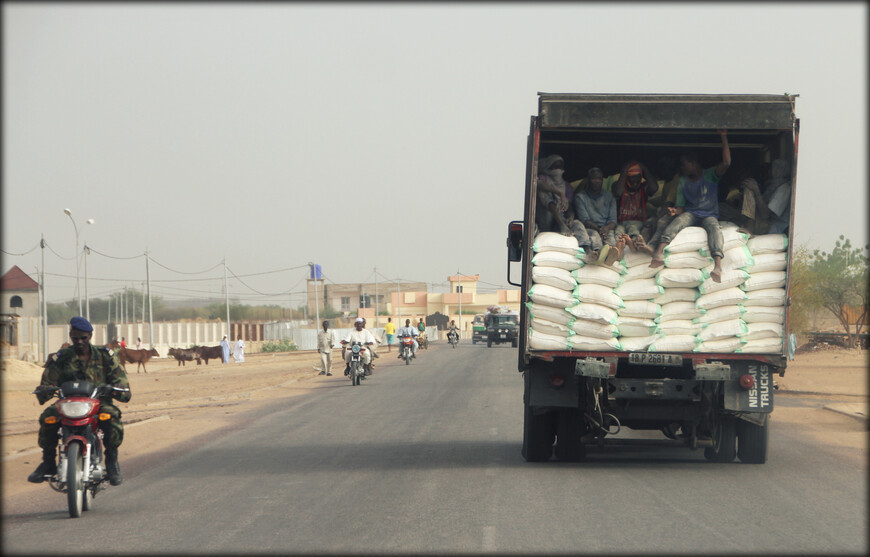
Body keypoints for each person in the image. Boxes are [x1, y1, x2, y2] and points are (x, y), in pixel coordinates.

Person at [28, 317, 131, 486]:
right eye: (75, 338)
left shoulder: (105, 355)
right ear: (70, 336)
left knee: (111, 417)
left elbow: (121, 382)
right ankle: (47, 462)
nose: (80, 341)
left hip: (98, 403)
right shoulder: (61, 357)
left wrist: (118, 387)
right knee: (48, 417)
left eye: (83, 337)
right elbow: (48, 381)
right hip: (67, 403)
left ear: (90, 335)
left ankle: (112, 462)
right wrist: (45, 389)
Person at [639, 129, 731, 282]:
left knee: (714, 229)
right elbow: (681, 206)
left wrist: (724, 137)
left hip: (709, 215)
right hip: (691, 213)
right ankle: (658, 253)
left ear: (693, 163)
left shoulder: (710, 175)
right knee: (678, 222)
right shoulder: (682, 181)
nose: (682, 168)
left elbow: (727, 163)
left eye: (684, 165)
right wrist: (675, 211)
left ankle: (717, 266)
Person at [535, 154, 593, 253]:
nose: (558, 169)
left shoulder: (567, 186)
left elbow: (569, 207)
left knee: (577, 224)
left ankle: (588, 251)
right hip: (545, 220)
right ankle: (561, 224)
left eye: (560, 166)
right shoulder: (543, 178)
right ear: (549, 167)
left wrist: (570, 217)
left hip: (562, 220)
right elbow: (539, 184)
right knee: (544, 193)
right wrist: (559, 193)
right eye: (555, 166)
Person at [574, 167, 625, 265]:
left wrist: (606, 228)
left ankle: (608, 257)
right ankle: (596, 255)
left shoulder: (609, 196)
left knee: (611, 242)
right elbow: (584, 219)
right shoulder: (580, 197)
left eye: (599, 179)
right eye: (594, 178)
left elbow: (613, 220)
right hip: (590, 228)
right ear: (588, 180)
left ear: (602, 180)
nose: (597, 181)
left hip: (606, 229)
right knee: (595, 238)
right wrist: (599, 229)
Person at [612, 161, 659, 243]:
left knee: (633, 229)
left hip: (638, 222)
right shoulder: (618, 185)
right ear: (626, 176)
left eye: (638, 177)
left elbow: (654, 188)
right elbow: (618, 192)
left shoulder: (643, 187)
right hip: (621, 222)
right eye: (632, 177)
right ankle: (619, 248)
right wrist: (625, 171)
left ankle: (634, 244)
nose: (635, 180)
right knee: (618, 233)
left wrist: (644, 169)